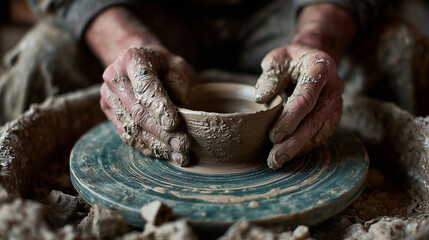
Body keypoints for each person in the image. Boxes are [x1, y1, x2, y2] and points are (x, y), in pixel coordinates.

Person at [4, 0, 425, 170]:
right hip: (144, 10)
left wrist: (315, 40)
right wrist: (128, 43)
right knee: (42, 58)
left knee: (402, 52)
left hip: (285, 9)